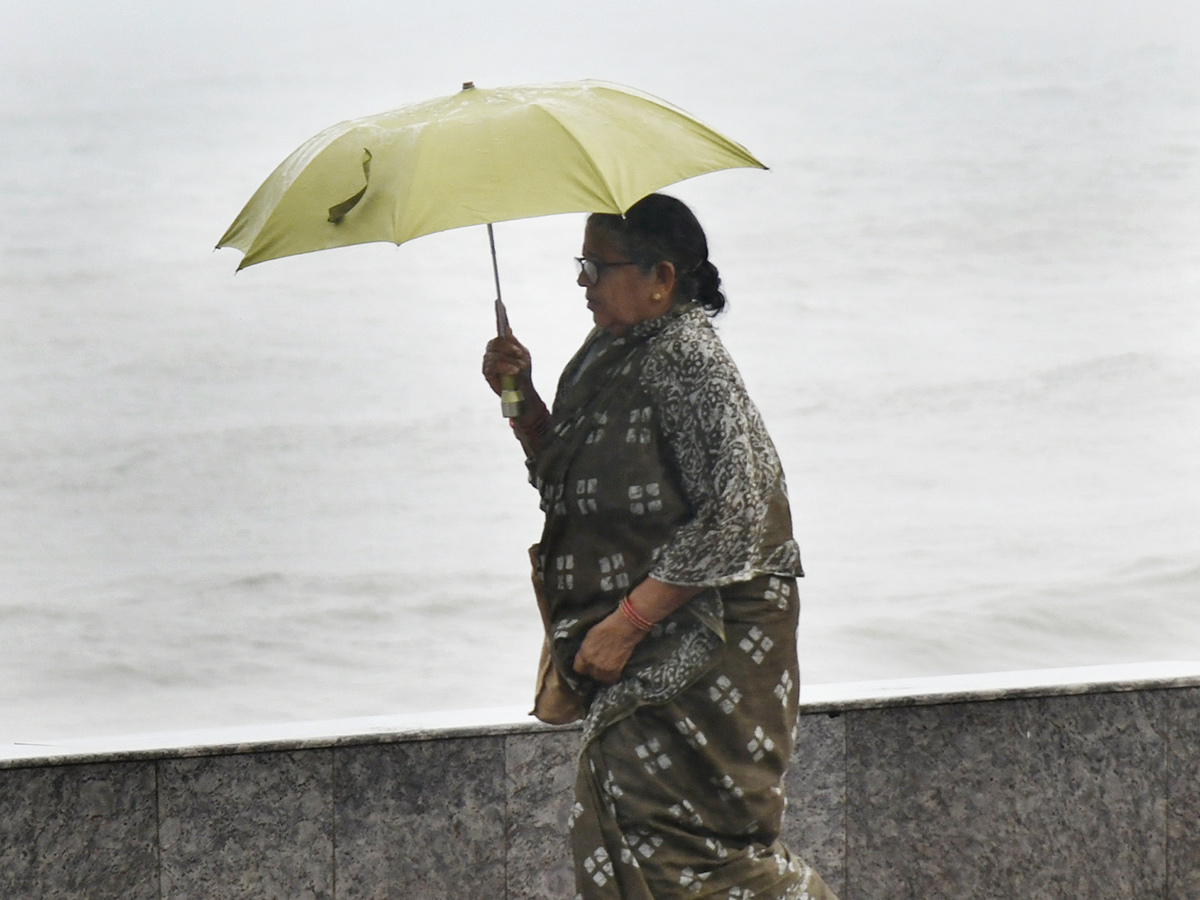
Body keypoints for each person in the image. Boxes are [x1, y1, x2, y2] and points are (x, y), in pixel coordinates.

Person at [482, 193, 838, 900]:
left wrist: (628, 623)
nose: (582, 283)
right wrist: (518, 397)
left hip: (710, 640)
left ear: (661, 278)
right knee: (632, 821)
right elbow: (572, 482)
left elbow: (739, 510)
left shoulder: (688, 358)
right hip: (648, 636)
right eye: (580, 266)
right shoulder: (608, 352)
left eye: (595, 266)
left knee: (702, 847)